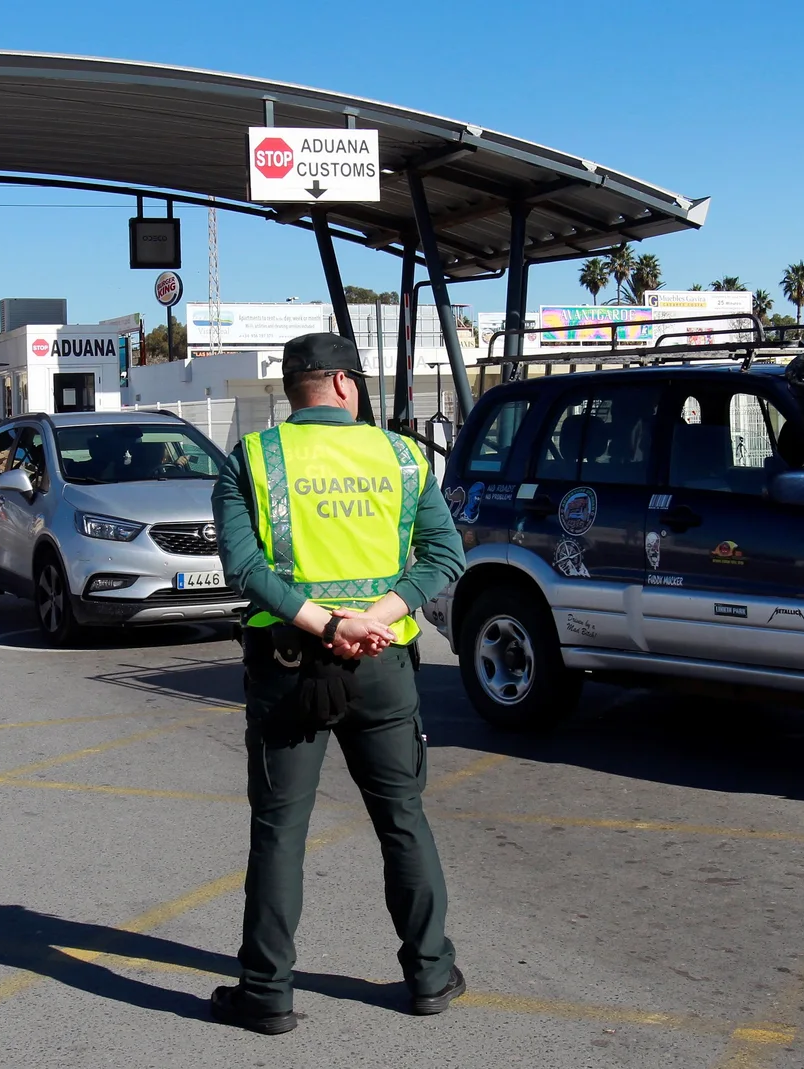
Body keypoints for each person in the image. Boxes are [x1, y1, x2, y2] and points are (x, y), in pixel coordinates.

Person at [208, 332, 467, 1035]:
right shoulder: (404, 457)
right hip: (383, 665)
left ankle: (267, 992)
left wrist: (325, 624)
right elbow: (447, 555)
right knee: (402, 820)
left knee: (280, 830)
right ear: (347, 385)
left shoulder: (255, 458)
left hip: (291, 664)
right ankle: (431, 974)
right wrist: (374, 618)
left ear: (293, 391)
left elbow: (243, 566)